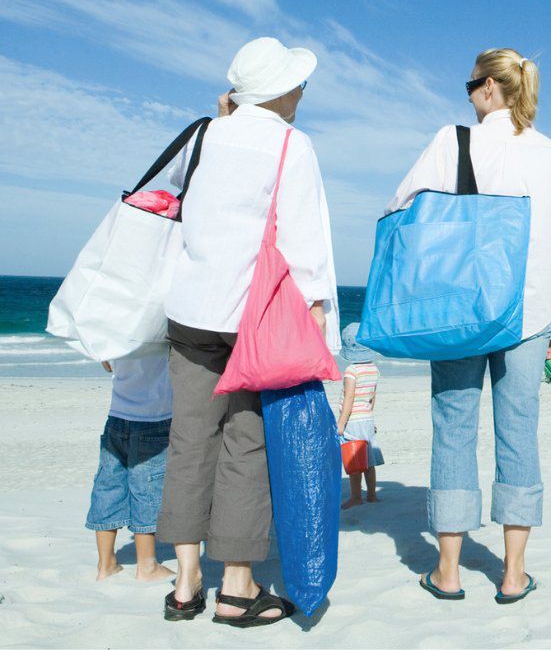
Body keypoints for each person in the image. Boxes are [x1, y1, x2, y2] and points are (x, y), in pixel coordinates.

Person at [385, 48, 551, 603]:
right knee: (518, 434)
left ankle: (447, 572)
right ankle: (513, 574)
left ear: (491, 88)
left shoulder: (452, 142)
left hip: (459, 310)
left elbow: (402, 206)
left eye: (470, 85)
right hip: (528, 311)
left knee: (453, 429)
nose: (468, 96)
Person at [157, 37, 340, 625]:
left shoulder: (206, 134)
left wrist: (226, 112)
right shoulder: (291, 143)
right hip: (249, 318)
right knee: (246, 442)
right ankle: (236, 588)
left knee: (189, 439)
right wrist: (315, 311)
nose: (302, 93)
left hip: (188, 310)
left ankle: (186, 584)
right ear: (283, 90)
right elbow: (304, 239)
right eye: (298, 84)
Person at [87, 355, 176, 582]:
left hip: (117, 418)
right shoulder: (159, 331)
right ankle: (147, 565)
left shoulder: (113, 337)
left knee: (108, 487)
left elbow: (107, 364)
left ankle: (105, 563)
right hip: (154, 419)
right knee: (146, 489)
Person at [337, 322, 384, 509]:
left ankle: (356, 497)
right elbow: (372, 397)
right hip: (367, 418)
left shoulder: (351, 371)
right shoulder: (373, 369)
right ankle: (372, 495)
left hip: (353, 421)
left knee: (354, 459)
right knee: (368, 460)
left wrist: (341, 423)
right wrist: (370, 417)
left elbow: (349, 398)